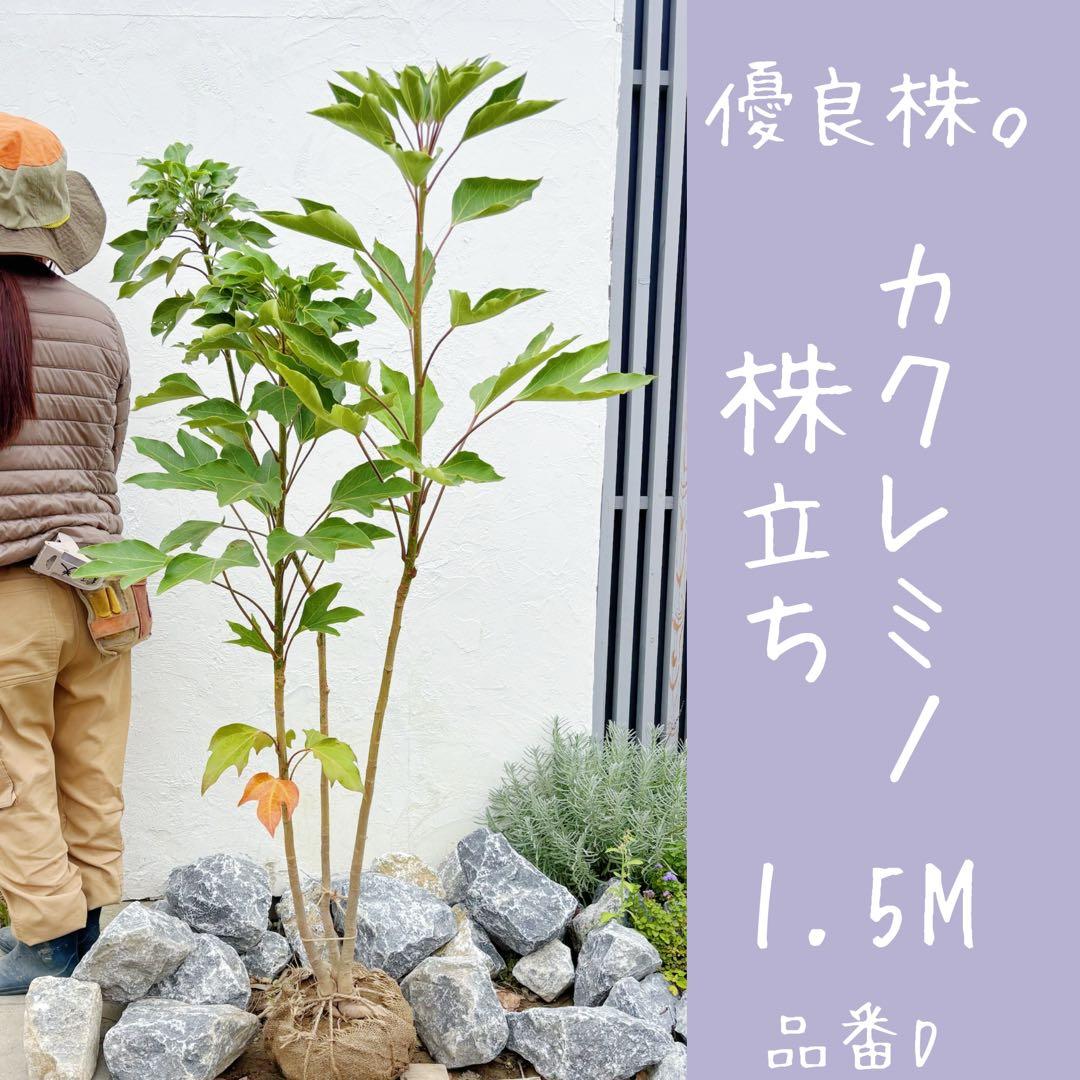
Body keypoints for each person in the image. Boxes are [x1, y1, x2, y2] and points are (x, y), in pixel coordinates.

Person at [0, 112, 132, 993]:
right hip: (104, 586)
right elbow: (106, 451)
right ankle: (89, 931)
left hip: (11, 591)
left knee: (17, 765)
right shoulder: (98, 320)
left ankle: (45, 944)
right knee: (92, 758)